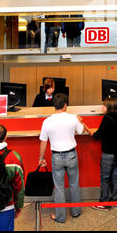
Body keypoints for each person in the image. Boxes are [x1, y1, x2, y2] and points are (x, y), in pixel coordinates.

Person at [38, 93, 88, 223]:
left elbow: (43, 141)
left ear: (54, 105)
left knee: (59, 187)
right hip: (71, 155)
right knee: (74, 183)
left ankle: (60, 217)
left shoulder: (47, 121)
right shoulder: (72, 118)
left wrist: (41, 157)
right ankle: (75, 211)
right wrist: (80, 121)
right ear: (65, 105)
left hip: (56, 156)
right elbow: (82, 131)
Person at [86, 97, 117, 211]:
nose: (102, 107)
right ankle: (115, 202)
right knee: (115, 177)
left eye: (104, 105)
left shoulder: (106, 119)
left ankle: (104, 203)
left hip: (108, 154)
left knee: (105, 178)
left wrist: (84, 125)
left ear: (108, 107)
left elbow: (96, 136)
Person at [0, 125, 25, 231]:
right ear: (6, 138)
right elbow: (20, 186)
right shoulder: (15, 157)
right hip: (8, 204)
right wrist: (19, 205)